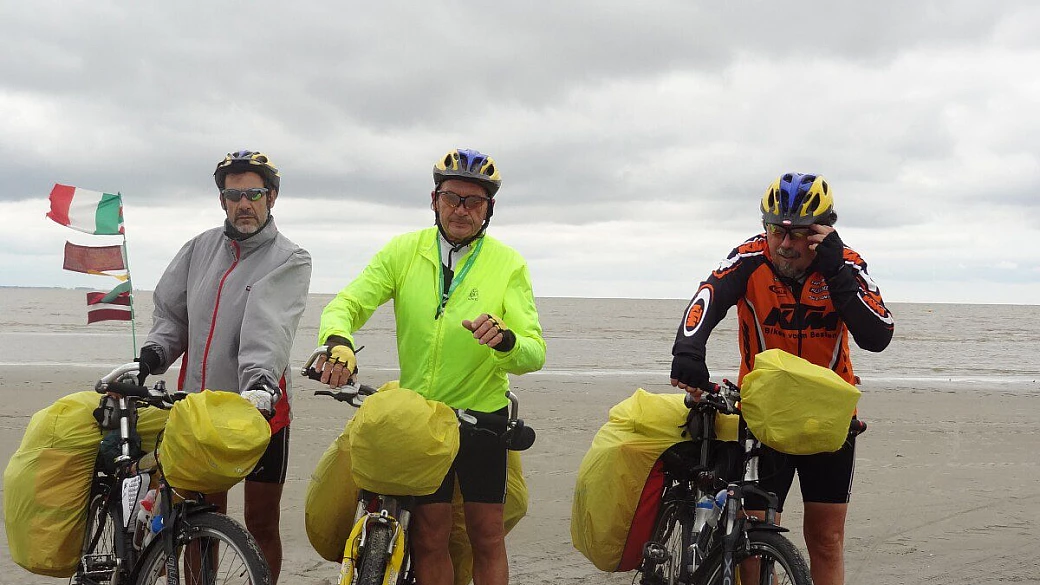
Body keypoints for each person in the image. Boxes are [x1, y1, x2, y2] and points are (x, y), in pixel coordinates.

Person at [315, 148, 545, 585]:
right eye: (452, 197)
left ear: (489, 209)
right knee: (430, 535)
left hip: (482, 417)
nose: (461, 209)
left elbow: (534, 352)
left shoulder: (508, 264)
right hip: (420, 419)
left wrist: (506, 340)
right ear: (434, 200)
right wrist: (338, 341)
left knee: (486, 535)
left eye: (474, 201)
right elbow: (348, 303)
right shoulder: (403, 252)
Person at [670, 172, 894, 585]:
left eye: (800, 233)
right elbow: (707, 297)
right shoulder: (749, 258)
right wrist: (688, 350)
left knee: (826, 538)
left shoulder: (846, 264)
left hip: (827, 419)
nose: (786, 244)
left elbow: (878, 335)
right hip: (765, 415)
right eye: (776, 230)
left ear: (824, 231)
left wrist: (835, 271)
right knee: (752, 534)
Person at [136, 150, 312, 584]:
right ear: (222, 201)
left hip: (262, 409)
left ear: (272, 197)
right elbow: (172, 315)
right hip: (202, 411)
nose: (243, 204)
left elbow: (268, 327)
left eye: (254, 194)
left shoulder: (290, 258)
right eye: (234, 196)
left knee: (261, 521)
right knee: (199, 521)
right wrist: (153, 355)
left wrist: (259, 386)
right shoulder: (198, 249)